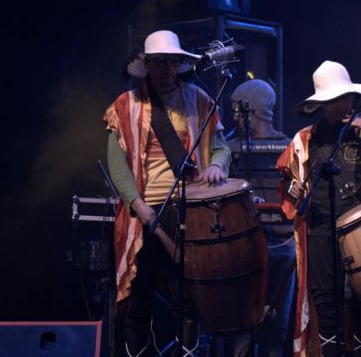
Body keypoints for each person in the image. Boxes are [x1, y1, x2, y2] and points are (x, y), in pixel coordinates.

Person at [104, 30, 231, 356]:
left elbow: (221, 148)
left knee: (188, 296)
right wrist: (137, 203)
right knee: (137, 296)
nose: (165, 69)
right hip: (145, 210)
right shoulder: (125, 105)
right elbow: (117, 165)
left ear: (179, 65)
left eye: (171, 63)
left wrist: (217, 164)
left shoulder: (199, 100)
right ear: (147, 65)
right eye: (159, 62)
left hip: (191, 208)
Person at [276, 60, 361, 356]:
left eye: (347, 97)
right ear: (324, 103)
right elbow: (289, 186)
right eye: (336, 100)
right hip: (321, 231)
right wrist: (294, 190)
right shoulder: (304, 139)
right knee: (327, 308)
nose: (344, 104)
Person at [228, 79, 296, 356]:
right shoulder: (229, 148)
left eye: (236, 109)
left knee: (277, 326)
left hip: (282, 244)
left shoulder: (289, 147)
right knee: (242, 324)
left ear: (251, 108)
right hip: (245, 245)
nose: (233, 116)